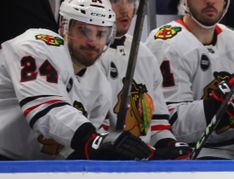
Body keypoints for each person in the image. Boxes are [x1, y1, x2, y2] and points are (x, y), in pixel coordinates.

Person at [0, 0, 152, 160]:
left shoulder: (100, 83)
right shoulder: (35, 46)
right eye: (84, 31)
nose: (92, 41)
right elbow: (46, 109)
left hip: (40, 169)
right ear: (64, 28)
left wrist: (144, 151)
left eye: (101, 33)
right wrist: (94, 141)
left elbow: (79, 146)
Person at [146, 0, 234, 159]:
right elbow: (169, 124)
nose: (210, 1)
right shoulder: (166, 42)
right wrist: (216, 106)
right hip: (196, 156)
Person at [100, 0, 193, 159]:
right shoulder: (87, 54)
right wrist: (105, 145)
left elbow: (156, 125)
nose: (124, 9)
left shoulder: (144, 53)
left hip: (140, 166)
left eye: (129, 1)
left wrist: (166, 144)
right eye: (114, 1)